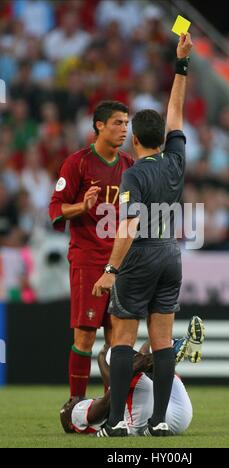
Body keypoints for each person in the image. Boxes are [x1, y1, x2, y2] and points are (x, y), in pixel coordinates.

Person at [92, 33, 193, 436]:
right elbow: (177, 113)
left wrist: (111, 269)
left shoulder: (134, 173)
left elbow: (129, 225)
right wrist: (181, 65)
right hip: (172, 254)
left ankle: (115, 422)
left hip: (141, 256)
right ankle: (161, 422)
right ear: (163, 140)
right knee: (164, 341)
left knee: (123, 339)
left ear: (134, 140)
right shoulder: (176, 162)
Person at [49, 101, 133, 402]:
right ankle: (75, 403)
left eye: (126, 123)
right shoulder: (78, 163)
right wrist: (82, 206)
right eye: (118, 123)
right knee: (85, 335)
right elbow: (55, 208)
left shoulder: (128, 166)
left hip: (119, 263)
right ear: (99, 125)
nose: (124, 129)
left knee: (117, 338)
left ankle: (114, 407)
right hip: (87, 260)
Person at [60, 316, 205, 436]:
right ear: (69, 423)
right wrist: (103, 360)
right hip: (152, 417)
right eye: (68, 405)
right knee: (111, 354)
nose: (71, 400)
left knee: (144, 353)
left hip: (175, 416)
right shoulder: (77, 415)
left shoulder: (91, 409)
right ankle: (171, 352)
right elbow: (106, 403)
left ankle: (172, 350)